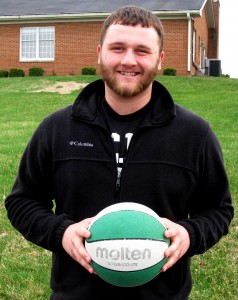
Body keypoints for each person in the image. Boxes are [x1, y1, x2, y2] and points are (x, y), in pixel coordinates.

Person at [5, 6, 233, 300]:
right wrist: (61, 232)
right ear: (100, 53)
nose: (128, 60)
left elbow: (219, 210)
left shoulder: (195, 134)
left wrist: (190, 235)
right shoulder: (57, 129)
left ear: (160, 60)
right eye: (117, 48)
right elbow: (22, 201)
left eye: (142, 50)